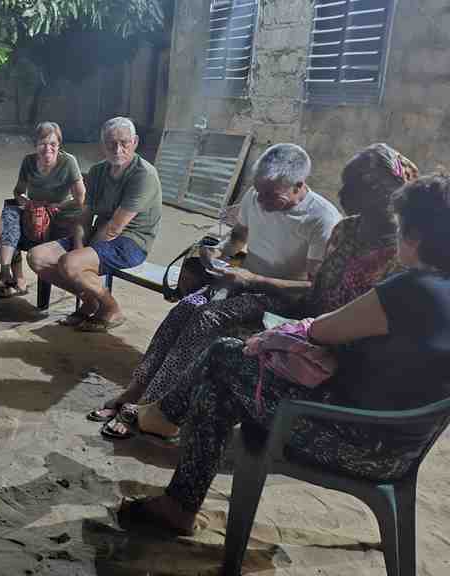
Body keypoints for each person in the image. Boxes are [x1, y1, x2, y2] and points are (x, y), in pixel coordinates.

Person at [118, 174, 450, 536]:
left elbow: (323, 330)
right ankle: (178, 500)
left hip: (353, 439)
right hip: (396, 443)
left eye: (401, 228)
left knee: (224, 354)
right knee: (218, 389)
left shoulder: (412, 289)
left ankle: (165, 422)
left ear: (415, 237)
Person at [90, 143, 342, 428]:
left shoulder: (322, 218)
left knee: (207, 318)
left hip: (281, 300)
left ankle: (155, 404)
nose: (261, 202)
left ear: (298, 185)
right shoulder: (256, 194)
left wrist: (256, 280)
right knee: (184, 309)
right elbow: (238, 238)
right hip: (244, 283)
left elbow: (312, 289)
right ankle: (136, 390)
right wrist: (217, 253)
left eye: (272, 196)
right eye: (259, 192)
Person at [28, 117, 161, 331]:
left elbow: (115, 228)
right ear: (103, 145)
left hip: (131, 241)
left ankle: (111, 309)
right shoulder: (99, 171)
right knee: (38, 257)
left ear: (135, 142)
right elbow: (84, 216)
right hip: (98, 233)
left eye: (124, 142)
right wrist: (79, 247)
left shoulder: (143, 175)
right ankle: (90, 301)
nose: (117, 149)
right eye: (111, 143)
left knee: (70, 263)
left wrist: (78, 258)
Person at [0, 121, 86, 299]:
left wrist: (56, 206)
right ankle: (8, 274)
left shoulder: (68, 162)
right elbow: (18, 191)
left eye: (53, 144)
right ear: (35, 144)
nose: (47, 149)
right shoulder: (28, 161)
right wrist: (27, 203)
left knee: (64, 226)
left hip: (60, 213)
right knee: (10, 213)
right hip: (35, 209)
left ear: (59, 145)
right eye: (42, 144)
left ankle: (22, 280)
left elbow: (80, 199)